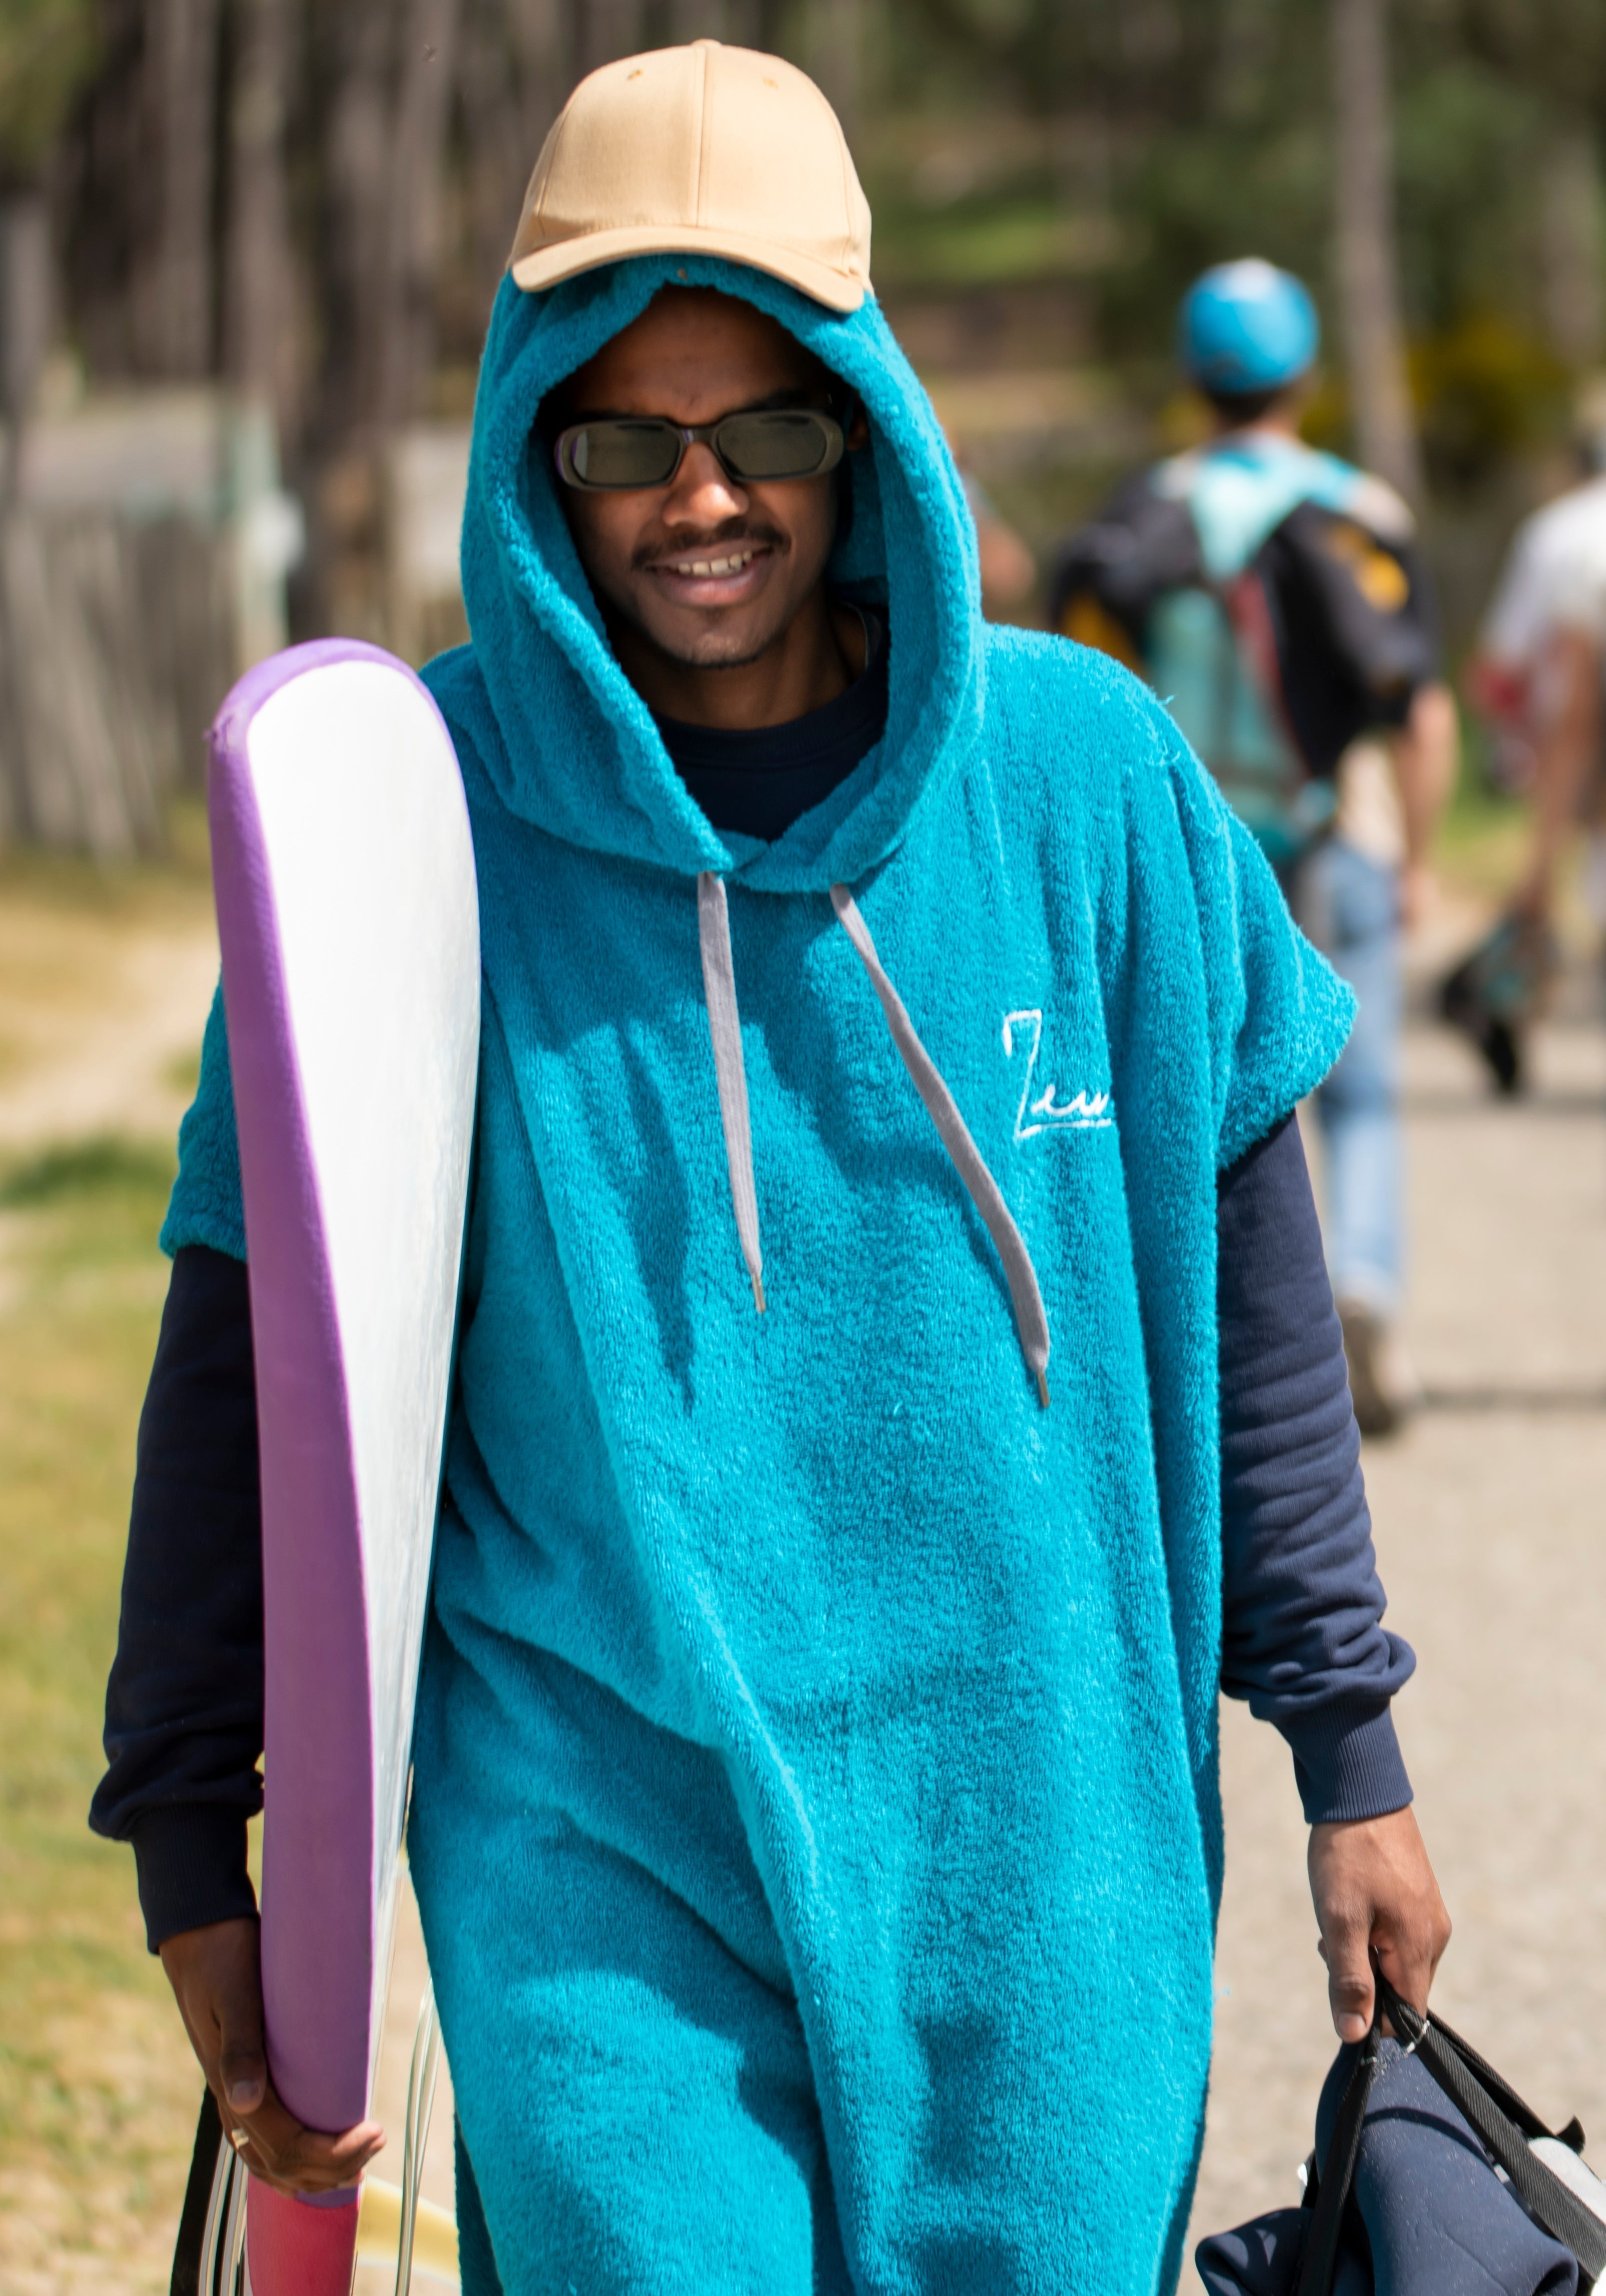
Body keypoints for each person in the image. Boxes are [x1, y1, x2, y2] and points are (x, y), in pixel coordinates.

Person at [92, 50, 1448, 2292]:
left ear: (868, 421)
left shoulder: (1082, 784)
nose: (697, 501)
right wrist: (189, 1836)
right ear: (536, 445)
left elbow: (1250, 1291)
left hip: (1041, 1830)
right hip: (590, 1834)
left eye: (769, 432)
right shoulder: (408, 833)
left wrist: (1350, 1750)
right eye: (625, 441)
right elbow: (255, 1333)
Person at [1052, 260, 1458, 1437]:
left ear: (1192, 380)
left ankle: (1205, 1354)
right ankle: (1367, 1284)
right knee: (1364, 1096)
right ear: (1308, 377)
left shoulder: (1138, 516)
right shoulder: (1359, 512)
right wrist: (1420, 854)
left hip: (1192, 857)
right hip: (1341, 834)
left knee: (1196, 1103)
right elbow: (1418, 713)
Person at [1455, 435, 1606, 1088]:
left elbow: (1512, 679)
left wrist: (1540, 857)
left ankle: (1509, 1006)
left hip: (1574, 759)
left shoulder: (1560, 540)